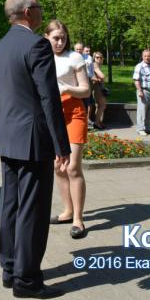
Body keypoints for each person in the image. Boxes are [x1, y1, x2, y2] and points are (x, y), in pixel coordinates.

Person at [0, 0, 70, 300]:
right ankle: (28, 279)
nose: (41, 11)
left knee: (10, 204)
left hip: (8, 138)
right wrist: (62, 145)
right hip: (34, 140)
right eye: (39, 6)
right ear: (27, 11)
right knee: (32, 211)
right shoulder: (37, 44)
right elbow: (49, 98)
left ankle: (10, 269)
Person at [44, 20, 90, 239]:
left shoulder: (74, 57)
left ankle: (78, 220)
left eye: (63, 38)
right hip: (53, 116)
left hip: (74, 114)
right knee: (58, 166)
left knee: (72, 167)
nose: (60, 42)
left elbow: (86, 90)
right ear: (47, 38)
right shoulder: (42, 57)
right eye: (55, 38)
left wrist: (68, 88)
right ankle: (67, 210)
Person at [133, 49, 150, 136]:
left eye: (149, 56)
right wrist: (139, 91)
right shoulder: (139, 66)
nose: (147, 58)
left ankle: (148, 128)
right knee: (142, 111)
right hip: (143, 90)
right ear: (142, 57)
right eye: (145, 56)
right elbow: (136, 80)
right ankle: (140, 128)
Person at [91, 52, 107, 130]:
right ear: (94, 58)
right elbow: (102, 76)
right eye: (97, 57)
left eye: (101, 57)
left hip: (99, 87)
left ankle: (98, 122)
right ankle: (97, 123)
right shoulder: (95, 65)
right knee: (102, 105)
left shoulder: (97, 66)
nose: (99, 59)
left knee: (99, 105)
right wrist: (102, 78)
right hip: (97, 87)